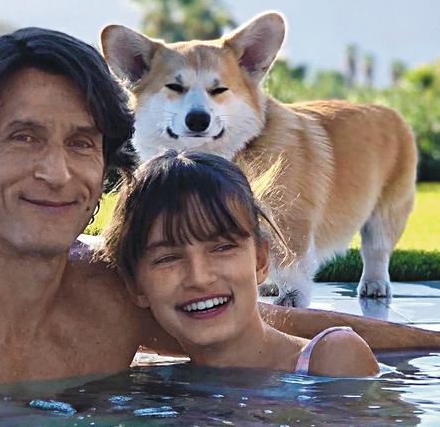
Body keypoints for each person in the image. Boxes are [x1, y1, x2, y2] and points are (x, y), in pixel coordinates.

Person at [0, 27, 436, 392]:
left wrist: (433, 345)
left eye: (82, 143)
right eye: (24, 138)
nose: (58, 171)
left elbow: (258, 325)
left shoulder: (109, 299)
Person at [101, 150, 379, 377]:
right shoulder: (151, 384)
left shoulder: (331, 359)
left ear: (260, 261)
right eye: (168, 258)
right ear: (136, 286)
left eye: (222, 248)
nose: (199, 277)